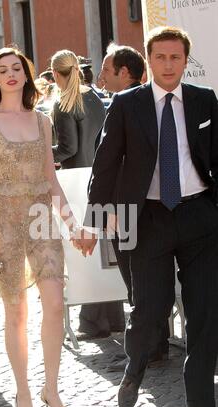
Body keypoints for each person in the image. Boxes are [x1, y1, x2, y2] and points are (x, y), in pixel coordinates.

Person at [83, 26, 218, 407]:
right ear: (150, 58)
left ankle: (199, 402)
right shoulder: (128, 103)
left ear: (185, 61)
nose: (168, 64)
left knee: (206, 310)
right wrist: (96, 220)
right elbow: (105, 163)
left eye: (176, 57)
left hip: (199, 217)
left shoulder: (204, 100)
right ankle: (134, 369)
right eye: (160, 57)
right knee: (149, 309)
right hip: (148, 218)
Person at [0, 46, 87, 407]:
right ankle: (23, 390)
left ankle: (51, 389)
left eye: (17, 67)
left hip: (40, 217)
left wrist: (72, 224)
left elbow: (51, 180)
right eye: (3, 70)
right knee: (16, 310)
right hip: (0, 219)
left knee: (54, 303)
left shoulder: (42, 121)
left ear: (26, 74)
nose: (11, 74)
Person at [101, 43, 170, 370]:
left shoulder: (126, 104)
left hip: (127, 209)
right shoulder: (145, 102)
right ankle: (154, 344)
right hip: (140, 207)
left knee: (136, 280)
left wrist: (101, 214)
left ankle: (149, 349)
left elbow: (110, 163)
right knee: (145, 280)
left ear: (124, 72)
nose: (100, 76)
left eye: (106, 69)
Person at [51, 49, 125, 339]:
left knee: (86, 252)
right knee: (106, 250)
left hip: (76, 181)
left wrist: (43, 152)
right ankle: (115, 318)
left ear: (57, 74)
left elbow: (67, 148)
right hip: (101, 177)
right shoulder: (93, 96)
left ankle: (93, 322)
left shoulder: (63, 103)